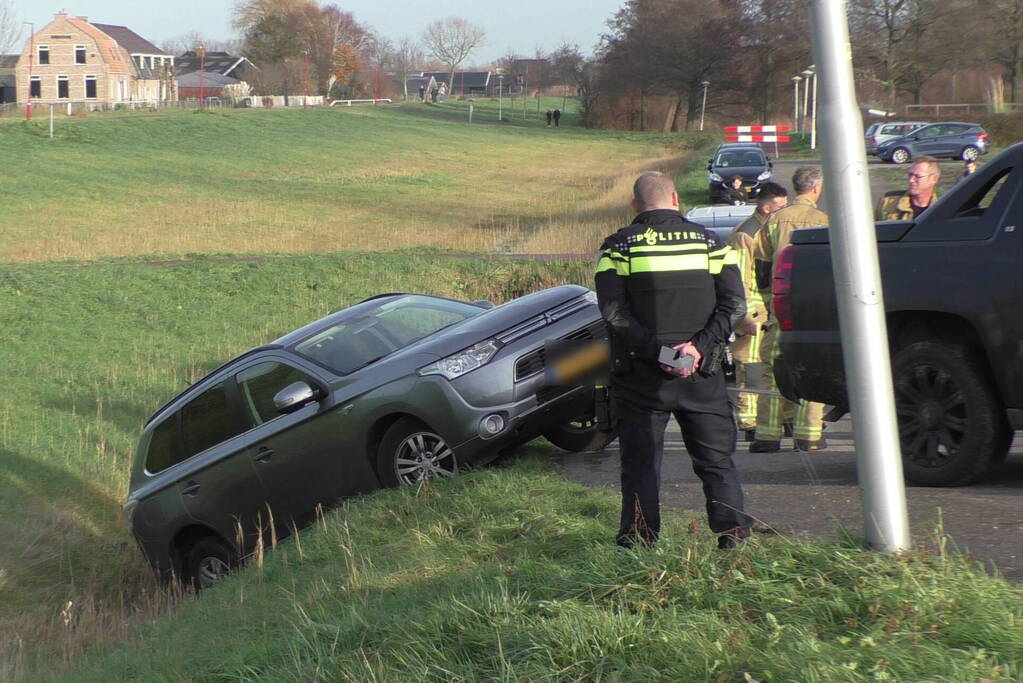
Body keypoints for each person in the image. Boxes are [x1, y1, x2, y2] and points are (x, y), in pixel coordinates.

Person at [595, 171, 752, 550]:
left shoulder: (619, 247)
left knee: (641, 465)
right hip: (702, 374)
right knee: (716, 460)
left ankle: (639, 542)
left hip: (641, 378)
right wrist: (696, 348)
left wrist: (660, 353)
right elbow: (735, 306)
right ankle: (733, 538)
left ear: (635, 205)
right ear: (676, 198)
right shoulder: (711, 243)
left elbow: (614, 314)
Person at [750, 166, 828, 452]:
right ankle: (808, 436)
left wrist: (767, 303)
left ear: (796, 188)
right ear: (817, 188)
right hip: (815, 309)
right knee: (811, 368)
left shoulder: (773, 221)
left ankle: (767, 436)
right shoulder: (825, 220)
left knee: (772, 370)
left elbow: (761, 268)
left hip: (780, 308)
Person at [726, 181, 789, 442]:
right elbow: (739, 281)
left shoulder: (769, 231)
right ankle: (750, 423)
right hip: (754, 315)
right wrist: (746, 317)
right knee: (750, 369)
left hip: (770, 313)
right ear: (766, 207)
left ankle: (781, 418)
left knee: (773, 369)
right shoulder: (746, 234)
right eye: (780, 207)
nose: (784, 213)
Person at [875, 156, 941, 220]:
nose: (911, 180)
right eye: (910, 175)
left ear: (934, 179)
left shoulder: (942, 209)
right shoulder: (887, 202)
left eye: (918, 176)